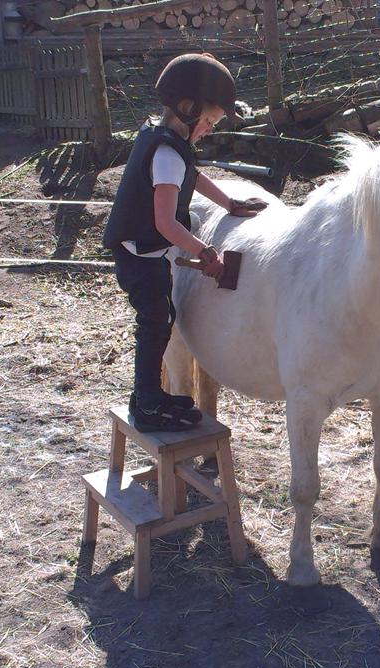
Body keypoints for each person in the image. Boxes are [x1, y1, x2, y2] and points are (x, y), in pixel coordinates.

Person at [103, 53, 267, 433]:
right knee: (155, 322)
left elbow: (192, 177)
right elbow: (163, 221)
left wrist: (230, 203)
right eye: (209, 121)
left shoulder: (164, 142)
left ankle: (149, 396)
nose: (209, 130)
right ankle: (147, 402)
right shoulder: (166, 154)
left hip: (142, 252)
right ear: (188, 108)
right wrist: (205, 252)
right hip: (140, 257)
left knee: (160, 320)